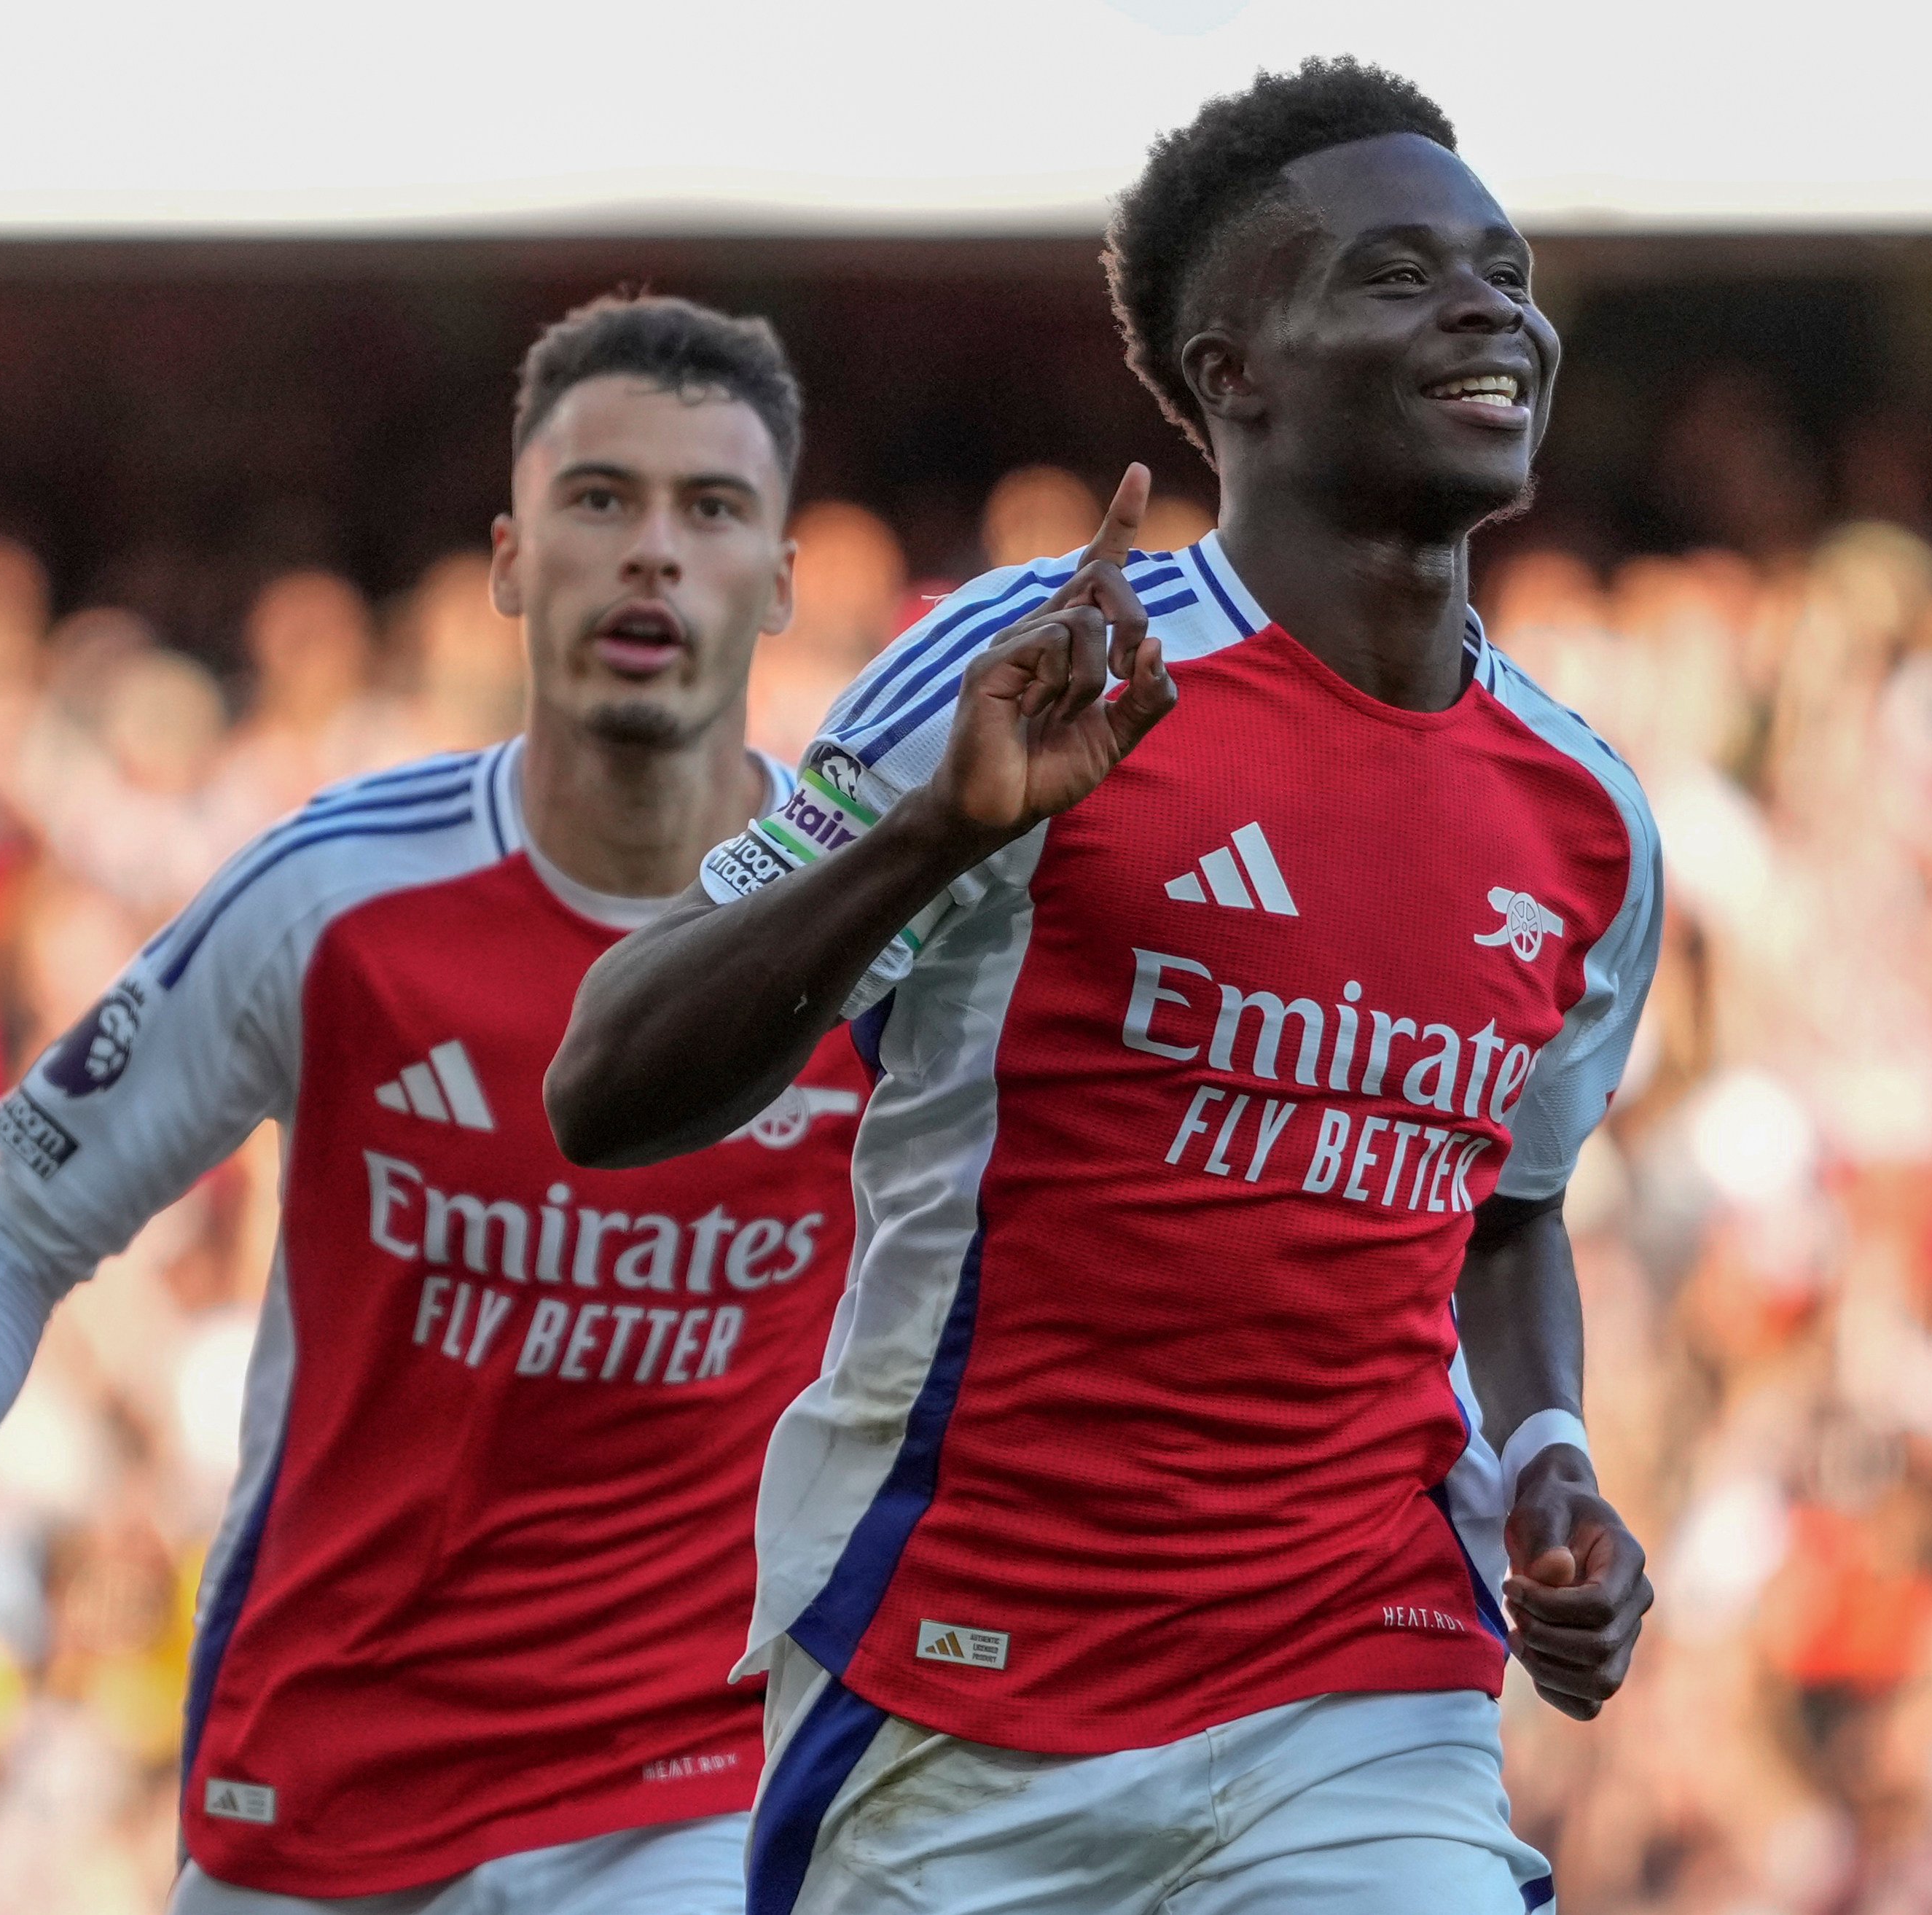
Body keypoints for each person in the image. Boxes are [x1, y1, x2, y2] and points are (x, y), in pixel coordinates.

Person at [546, 61, 1660, 1914]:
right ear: (1233, 371)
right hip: (963, 1680)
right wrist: (927, 840)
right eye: (1397, 275)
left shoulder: (1586, 817)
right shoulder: (1047, 661)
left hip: (1362, 1682)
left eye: (1504, 267)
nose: (1488, 308)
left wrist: (1545, 1457)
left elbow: (1507, 1209)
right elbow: (608, 1079)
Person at [0, 294, 873, 1915]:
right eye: (598, 500)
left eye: (712, 509)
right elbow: (18, 1232)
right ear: (503, 561)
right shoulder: (333, 892)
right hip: (320, 1785)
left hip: (683, 1792)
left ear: (778, 586)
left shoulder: (884, 922)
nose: (653, 554)